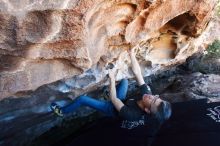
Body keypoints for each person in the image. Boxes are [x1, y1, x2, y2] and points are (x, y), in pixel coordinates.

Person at [50, 47, 172, 129]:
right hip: (122, 101)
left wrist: (112, 78)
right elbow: (138, 74)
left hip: (111, 108)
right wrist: (131, 53)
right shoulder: (147, 96)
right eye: (156, 97)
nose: (152, 96)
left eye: (152, 101)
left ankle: (62, 112)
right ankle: (105, 95)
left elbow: (114, 100)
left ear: (147, 110)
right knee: (124, 81)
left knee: (82, 99)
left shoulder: (132, 115)